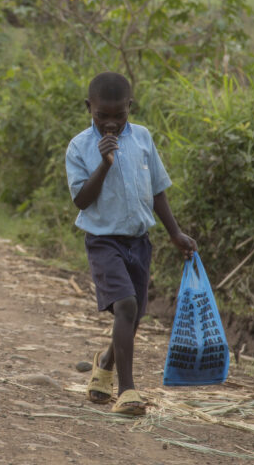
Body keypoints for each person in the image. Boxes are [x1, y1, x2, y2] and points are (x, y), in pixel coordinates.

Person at [65, 72, 195, 416]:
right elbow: (81, 200)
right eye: (101, 116)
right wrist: (104, 164)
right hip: (103, 240)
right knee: (125, 306)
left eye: (119, 115)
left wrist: (175, 233)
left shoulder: (143, 138)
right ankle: (127, 391)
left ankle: (105, 364)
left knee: (133, 316)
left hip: (139, 241)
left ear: (130, 107)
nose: (110, 123)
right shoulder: (79, 147)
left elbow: (157, 190)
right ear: (88, 107)